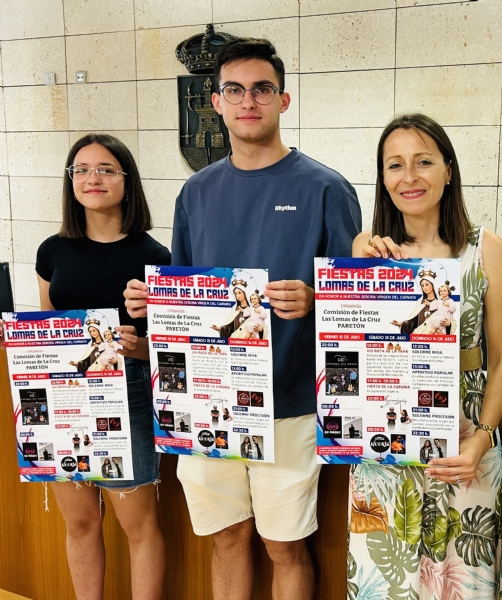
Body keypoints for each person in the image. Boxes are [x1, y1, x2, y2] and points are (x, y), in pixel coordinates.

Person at [123, 37, 360, 600]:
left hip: (290, 404)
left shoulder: (326, 189)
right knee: (227, 539)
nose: (248, 100)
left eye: (262, 89)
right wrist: (154, 303)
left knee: (284, 547)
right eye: (235, 90)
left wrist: (317, 299)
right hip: (209, 400)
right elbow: (185, 299)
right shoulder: (196, 193)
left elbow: (362, 309)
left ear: (284, 100)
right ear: (216, 101)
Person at [349, 113, 502, 598]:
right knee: (386, 580)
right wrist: (359, 274)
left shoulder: (484, 248)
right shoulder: (369, 250)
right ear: (382, 179)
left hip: (466, 439)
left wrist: (482, 440)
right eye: (394, 165)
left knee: (460, 582)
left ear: (448, 168)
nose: (410, 176)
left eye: (423, 161)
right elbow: (346, 352)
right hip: (387, 440)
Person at [34, 133, 168, 599]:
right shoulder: (52, 251)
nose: (93, 178)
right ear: (71, 182)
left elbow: (169, 348)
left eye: (106, 169)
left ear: (127, 182)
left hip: (127, 394)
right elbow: (49, 330)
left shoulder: (154, 257)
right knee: (82, 521)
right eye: (82, 169)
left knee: (138, 524)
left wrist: (139, 347)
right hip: (65, 394)